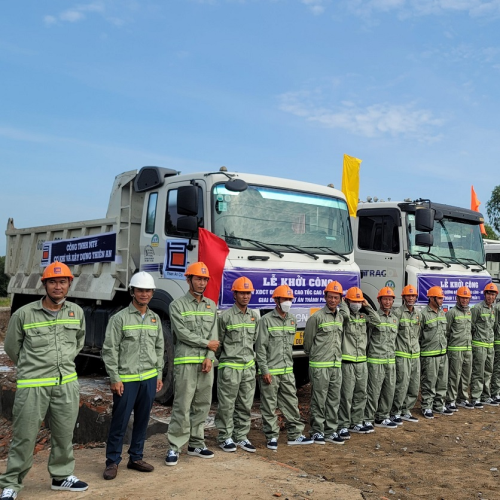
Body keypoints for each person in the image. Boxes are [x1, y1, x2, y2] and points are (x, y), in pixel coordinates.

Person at [0, 262, 88, 500]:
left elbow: (78, 343)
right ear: (44, 284)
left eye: (62, 282)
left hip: (66, 383)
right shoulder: (24, 314)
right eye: (52, 282)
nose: (57, 286)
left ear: (69, 283)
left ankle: (61, 476)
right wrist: (32, 368)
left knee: (64, 433)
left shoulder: (76, 313)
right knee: (25, 435)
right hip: (33, 385)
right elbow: (11, 348)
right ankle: (11, 483)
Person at [101, 272, 164, 480]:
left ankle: (136, 457)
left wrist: (159, 374)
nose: (144, 294)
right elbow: (110, 350)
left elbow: (159, 348)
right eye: (140, 290)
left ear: (152, 293)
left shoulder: (155, 318)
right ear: (132, 292)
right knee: (120, 421)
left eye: (147, 290)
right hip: (126, 380)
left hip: (148, 378)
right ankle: (112, 461)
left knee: (142, 420)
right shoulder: (119, 318)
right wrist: (114, 377)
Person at [165, 262, 219, 466]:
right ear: (188, 280)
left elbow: (214, 333)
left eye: (205, 279)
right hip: (186, 362)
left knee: (202, 405)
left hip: (206, 363)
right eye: (198, 278)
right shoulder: (177, 305)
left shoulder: (211, 305)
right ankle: (174, 446)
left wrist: (209, 356)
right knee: (182, 405)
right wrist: (207, 344)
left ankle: (196, 443)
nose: (202, 282)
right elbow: (182, 333)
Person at [255, 285, 313, 450]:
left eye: (289, 299)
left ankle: (295, 435)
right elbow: (260, 348)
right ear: (276, 300)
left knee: (291, 404)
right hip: (271, 372)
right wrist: (264, 370)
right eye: (284, 299)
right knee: (269, 405)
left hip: (287, 371)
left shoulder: (292, 320)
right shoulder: (265, 321)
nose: (287, 302)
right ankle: (271, 437)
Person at [215, 277, 260, 453]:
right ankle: (224, 437)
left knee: (245, 404)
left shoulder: (254, 316)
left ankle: (241, 436)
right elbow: (218, 343)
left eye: (248, 293)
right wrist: (226, 360)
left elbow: (254, 340)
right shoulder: (225, 317)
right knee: (226, 405)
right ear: (235, 294)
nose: (245, 296)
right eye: (242, 293)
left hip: (248, 368)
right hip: (230, 368)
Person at [303, 281, 346, 445]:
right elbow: (307, 344)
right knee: (319, 400)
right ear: (325, 297)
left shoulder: (341, 316)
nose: (333, 300)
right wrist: (317, 356)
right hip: (320, 366)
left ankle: (330, 430)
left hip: (336, 365)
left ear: (340, 299)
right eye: (330, 297)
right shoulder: (317, 317)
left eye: (336, 297)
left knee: (334, 400)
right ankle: (317, 431)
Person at [337, 287, 378, 437]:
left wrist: (367, 306)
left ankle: (357, 422)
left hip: (361, 361)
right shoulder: (343, 316)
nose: (356, 304)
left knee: (361, 394)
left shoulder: (363, 317)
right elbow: (345, 316)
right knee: (346, 395)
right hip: (347, 361)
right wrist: (343, 304)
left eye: (358, 301)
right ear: (347, 301)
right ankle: (343, 424)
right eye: (353, 301)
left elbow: (377, 321)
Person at [363, 287, 399, 430]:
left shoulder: (395, 318)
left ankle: (382, 416)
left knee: (388, 391)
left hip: (390, 360)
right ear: (378, 300)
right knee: (373, 392)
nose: (387, 302)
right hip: (375, 360)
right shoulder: (373, 317)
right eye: (384, 299)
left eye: (390, 299)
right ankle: (368, 418)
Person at [419, 286, 452, 419]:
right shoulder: (423, 314)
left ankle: (439, 405)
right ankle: (427, 406)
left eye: (442, 298)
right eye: (439, 298)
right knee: (429, 382)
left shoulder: (442, 313)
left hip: (442, 354)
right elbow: (418, 335)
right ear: (431, 298)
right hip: (429, 355)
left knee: (442, 382)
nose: (441, 300)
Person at [390, 285, 421, 424]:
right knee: (401, 385)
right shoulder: (397, 313)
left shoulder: (418, 314)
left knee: (414, 385)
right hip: (402, 354)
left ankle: (406, 410)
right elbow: (393, 335)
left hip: (414, 355)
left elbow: (418, 334)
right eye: (408, 296)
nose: (411, 298)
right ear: (403, 297)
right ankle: (395, 411)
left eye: (413, 296)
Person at [470, 283, 499, 408]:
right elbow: (470, 326)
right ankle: (476, 397)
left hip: (489, 345)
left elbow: (494, 327)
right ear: (484, 294)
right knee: (478, 372)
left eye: (492, 294)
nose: (490, 297)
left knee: (488, 372)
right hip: (479, 345)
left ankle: (486, 396)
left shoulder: (493, 310)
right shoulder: (477, 308)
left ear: (495, 296)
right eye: (488, 294)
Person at [445, 286, 473, 411]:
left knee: (466, 375)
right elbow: (446, 331)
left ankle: (463, 398)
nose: (464, 301)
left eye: (466, 298)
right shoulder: (451, 313)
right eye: (462, 298)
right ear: (457, 298)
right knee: (454, 376)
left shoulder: (469, 312)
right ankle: (451, 400)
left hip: (467, 349)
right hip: (455, 349)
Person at [491, 299, 500, 403]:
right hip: (498, 342)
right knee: (497, 369)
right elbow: (493, 326)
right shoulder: (497, 308)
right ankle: (495, 392)